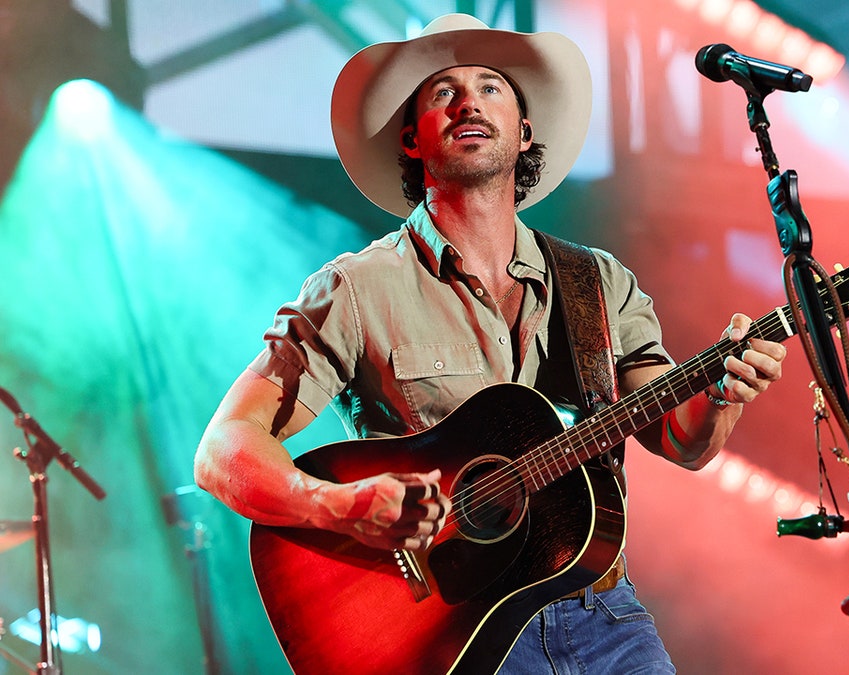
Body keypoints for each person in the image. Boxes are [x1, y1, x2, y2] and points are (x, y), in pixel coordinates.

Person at [194, 12, 787, 674]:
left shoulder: (597, 282)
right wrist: (337, 505)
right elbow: (223, 449)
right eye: (444, 91)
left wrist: (724, 391)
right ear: (411, 139)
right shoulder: (356, 288)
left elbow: (681, 440)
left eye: (491, 87)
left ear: (524, 130)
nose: (469, 102)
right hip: (454, 637)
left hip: (604, 615)